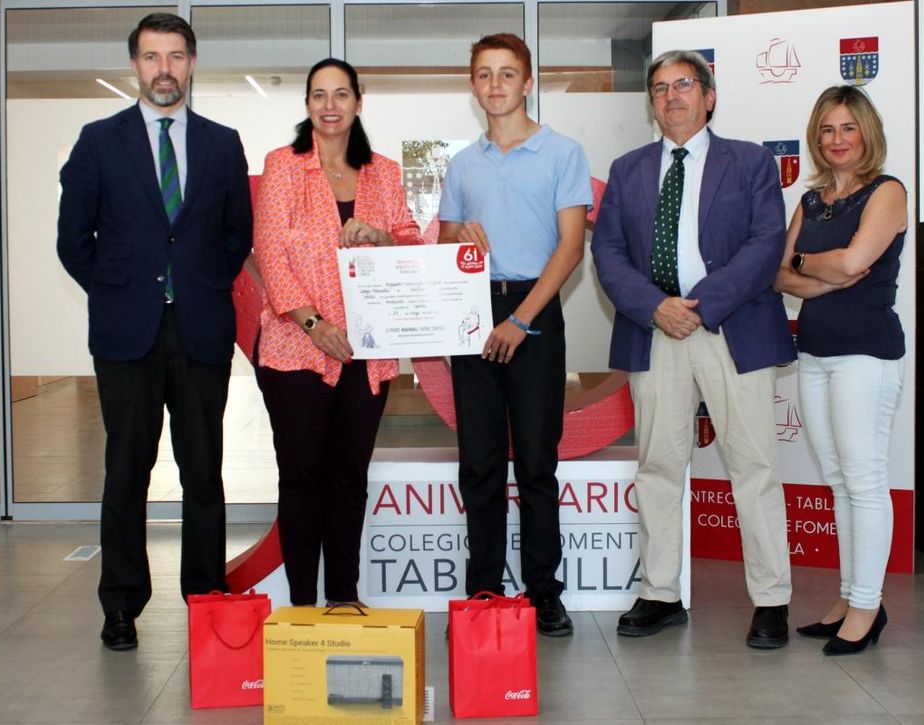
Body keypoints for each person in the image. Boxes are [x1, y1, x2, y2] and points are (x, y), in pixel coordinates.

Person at [57, 12, 253, 650]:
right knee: (126, 470)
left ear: (192, 63)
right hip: (126, 335)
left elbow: (235, 237)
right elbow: (72, 241)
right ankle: (120, 605)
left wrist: (193, 285)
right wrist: (121, 291)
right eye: (151, 57)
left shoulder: (223, 143)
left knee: (204, 472)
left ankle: (205, 598)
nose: (163, 69)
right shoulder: (97, 141)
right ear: (135, 66)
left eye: (175, 56)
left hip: (199, 329)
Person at [591, 49, 795, 649]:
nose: (671, 96)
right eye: (659, 88)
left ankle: (772, 599)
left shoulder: (752, 162)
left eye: (684, 84)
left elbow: (765, 242)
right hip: (655, 331)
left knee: (753, 467)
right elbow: (608, 253)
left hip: (729, 328)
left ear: (709, 96)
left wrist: (701, 304)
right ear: (651, 103)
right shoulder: (628, 169)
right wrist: (656, 306)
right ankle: (660, 593)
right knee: (658, 465)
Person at [252, 58, 423, 607]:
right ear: (307, 105)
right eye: (319, 95)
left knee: (349, 476)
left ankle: (343, 597)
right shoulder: (284, 165)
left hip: (367, 350)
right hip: (295, 348)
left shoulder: (383, 172)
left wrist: (380, 236)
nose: (330, 105)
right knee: (302, 475)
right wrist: (314, 324)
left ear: (358, 101)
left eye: (341, 94)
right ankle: (303, 604)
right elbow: (271, 255)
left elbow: (413, 245)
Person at [439, 33, 592, 636]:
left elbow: (571, 246)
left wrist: (522, 319)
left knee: (534, 461)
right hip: (472, 316)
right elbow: (445, 244)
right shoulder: (462, 163)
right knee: (477, 462)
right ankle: (483, 587)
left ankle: (543, 591)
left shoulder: (563, 152)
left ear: (528, 83)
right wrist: (459, 243)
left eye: (507, 74)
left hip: (535, 313)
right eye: (484, 74)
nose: (495, 84)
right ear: (472, 85)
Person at [774, 85, 906, 656]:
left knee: (865, 481)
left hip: (866, 353)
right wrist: (814, 268)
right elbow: (779, 276)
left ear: (867, 132)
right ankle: (851, 598)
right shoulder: (811, 201)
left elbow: (857, 263)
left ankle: (868, 605)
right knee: (838, 482)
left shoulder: (888, 192)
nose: (836, 140)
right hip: (815, 352)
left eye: (847, 128)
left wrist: (817, 266)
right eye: (827, 129)